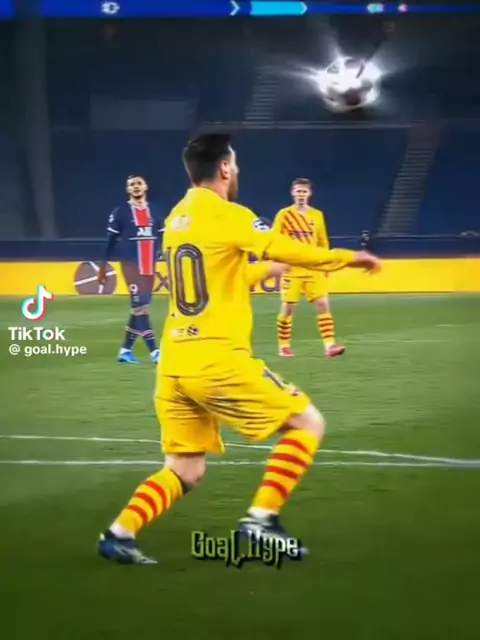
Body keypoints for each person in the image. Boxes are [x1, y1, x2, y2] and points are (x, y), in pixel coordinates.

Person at [97, 133, 380, 565]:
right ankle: (262, 519)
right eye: (236, 163)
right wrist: (348, 257)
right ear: (225, 168)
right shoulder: (229, 214)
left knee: (185, 469)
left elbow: (219, 280)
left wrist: (267, 268)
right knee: (307, 423)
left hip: (174, 364)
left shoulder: (176, 219)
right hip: (216, 359)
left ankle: (119, 534)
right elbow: (288, 247)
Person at [274, 178, 344, 358]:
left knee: (323, 304)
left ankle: (329, 345)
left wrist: (326, 263)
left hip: (313, 268)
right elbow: (274, 239)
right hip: (292, 268)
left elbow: (322, 241)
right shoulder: (284, 214)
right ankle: (283, 345)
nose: (301, 195)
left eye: (304, 192)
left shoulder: (317, 215)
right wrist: (278, 261)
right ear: (292, 193)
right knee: (289, 307)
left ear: (309, 194)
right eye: (298, 191)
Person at [98, 175, 163, 364]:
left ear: (145, 187)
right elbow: (110, 241)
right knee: (141, 307)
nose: (136, 187)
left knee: (139, 310)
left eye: (139, 183)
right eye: (132, 184)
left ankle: (125, 350)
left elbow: (163, 237)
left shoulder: (156, 211)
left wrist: (165, 254)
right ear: (128, 190)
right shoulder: (121, 212)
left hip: (149, 266)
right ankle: (155, 352)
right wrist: (103, 266)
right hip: (131, 265)